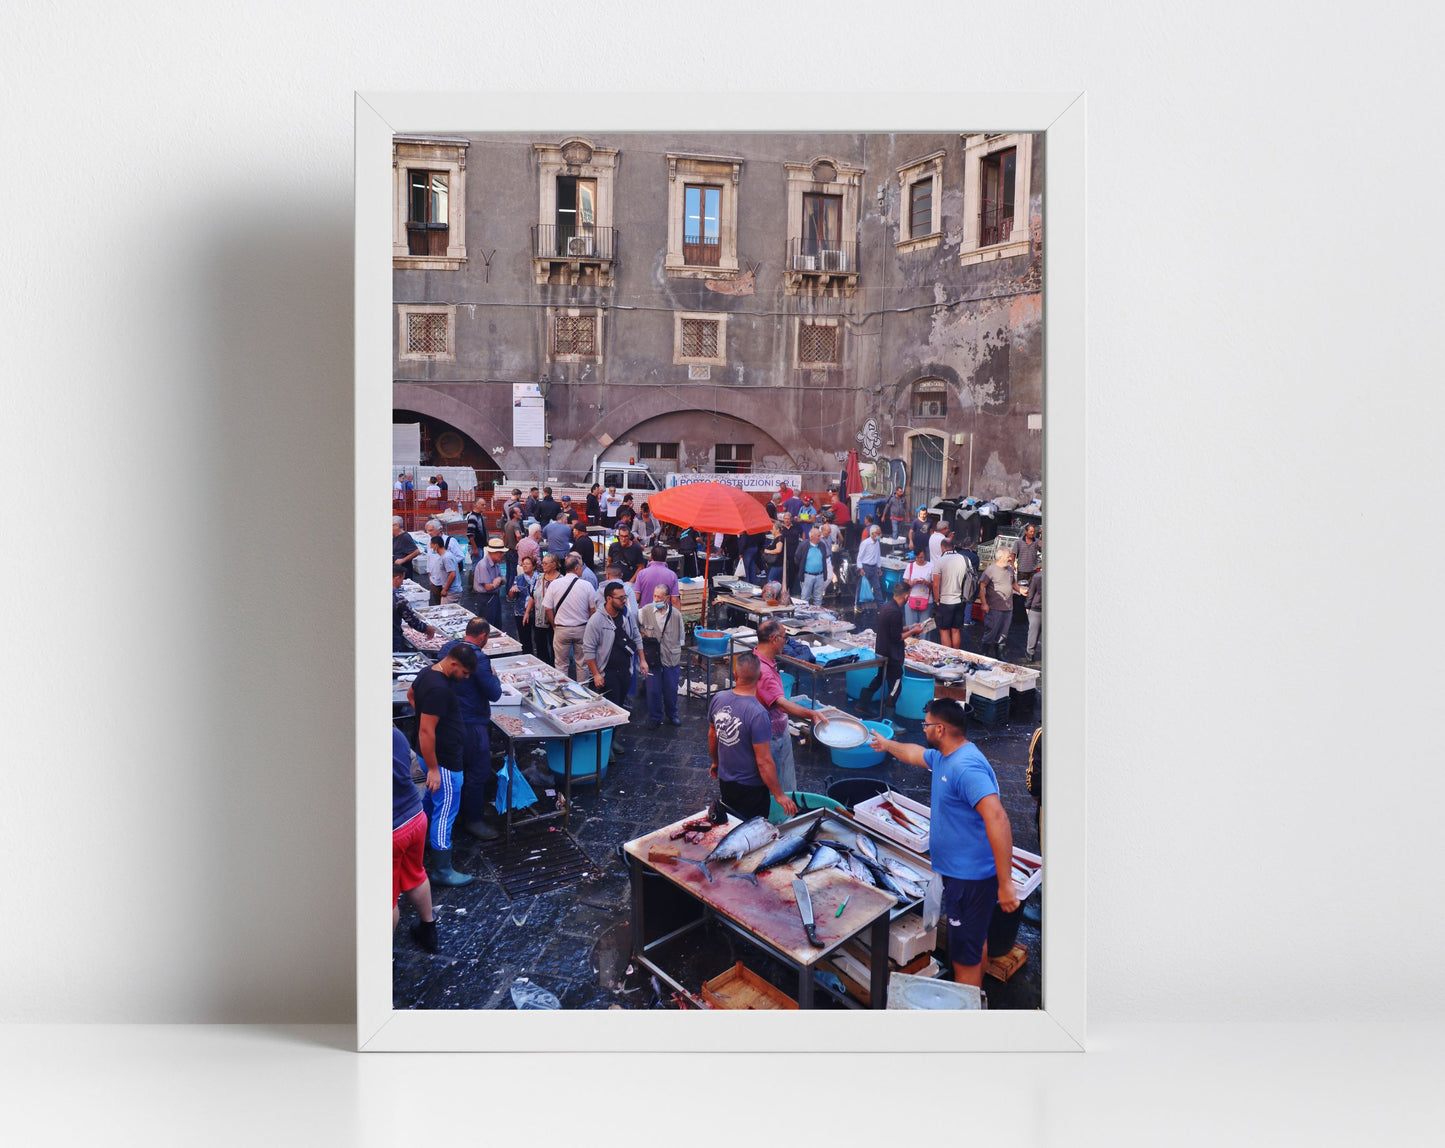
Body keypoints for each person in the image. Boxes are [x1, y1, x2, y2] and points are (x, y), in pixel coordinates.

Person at [868, 699, 1019, 987]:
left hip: (969, 881)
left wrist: (1006, 883)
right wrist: (887, 745)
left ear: (940, 729)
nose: (923, 729)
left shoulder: (965, 767)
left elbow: (998, 818)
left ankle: (964, 1006)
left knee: (963, 961)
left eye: (926, 725)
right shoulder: (944, 757)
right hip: (961, 876)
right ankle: (977, 999)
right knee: (975, 943)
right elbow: (915, 754)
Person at [409, 643, 478, 886]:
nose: (466, 678)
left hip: (432, 756)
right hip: (443, 762)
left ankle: (419, 843)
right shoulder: (439, 689)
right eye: (465, 673)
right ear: (454, 663)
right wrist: (433, 769)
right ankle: (442, 869)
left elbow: (410, 695)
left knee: (430, 802)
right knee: (446, 810)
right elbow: (426, 732)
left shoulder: (427, 673)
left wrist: (427, 719)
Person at [707, 654, 798, 822]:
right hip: (752, 788)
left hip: (726, 781)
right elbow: (764, 761)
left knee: (733, 823)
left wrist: (715, 762)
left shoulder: (718, 699)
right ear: (760, 676)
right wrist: (779, 794)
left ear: (735, 675)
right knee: (752, 829)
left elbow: (712, 734)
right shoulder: (758, 713)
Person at [438, 619, 504, 842]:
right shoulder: (479, 659)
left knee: (456, 768)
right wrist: (494, 676)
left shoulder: (448, 649)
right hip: (472, 723)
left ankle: (456, 813)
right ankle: (473, 819)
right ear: (483, 636)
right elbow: (494, 693)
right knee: (478, 771)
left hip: (448, 719)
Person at [753, 618, 817, 793]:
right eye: (784, 637)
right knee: (780, 787)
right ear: (774, 639)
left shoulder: (756, 657)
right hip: (772, 737)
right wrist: (812, 714)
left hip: (764, 731)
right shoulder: (764, 671)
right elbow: (781, 704)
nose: (786, 642)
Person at [392, 727, 437, 952]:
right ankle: (428, 930)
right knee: (415, 874)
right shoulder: (394, 734)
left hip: (390, 829)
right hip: (415, 817)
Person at [583, 579, 647, 712]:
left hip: (626, 671)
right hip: (608, 674)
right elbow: (589, 649)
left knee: (620, 705)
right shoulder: (596, 620)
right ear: (609, 599)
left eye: (625, 597)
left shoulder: (627, 615)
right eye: (620, 598)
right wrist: (596, 674)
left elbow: (636, 636)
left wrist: (642, 660)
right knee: (611, 710)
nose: (624, 600)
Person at [859, 582, 925, 708]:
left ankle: (862, 704)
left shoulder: (886, 607)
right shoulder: (895, 612)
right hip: (892, 655)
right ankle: (888, 714)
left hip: (882, 651)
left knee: (879, 678)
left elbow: (893, 629)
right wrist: (913, 631)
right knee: (895, 687)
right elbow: (896, 637)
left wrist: (910, 627)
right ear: (906, 596)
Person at [638, 582, 683, 728]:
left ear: (667, 598)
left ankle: (672, 714)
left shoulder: (676, 615)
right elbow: (636, 630)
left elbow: (681, 638)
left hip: (671, 657)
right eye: (654, 596)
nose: (656, 599)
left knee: (671, 690)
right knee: (653, 690)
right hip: (652, 658)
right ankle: (655, 717)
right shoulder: (644, 611)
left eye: (659, 597)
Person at [545, 557, 594, 680]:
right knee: (582, 664)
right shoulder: (586, 585)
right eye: (581, 566)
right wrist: (588, 623)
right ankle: (583, 690)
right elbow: (593, 609)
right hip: (582, 629)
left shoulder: (554, 584)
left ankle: (562, 689)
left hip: (561, 629)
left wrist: (554, 625)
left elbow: (547, 608)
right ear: (576, 568)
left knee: (561, 664)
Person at [979, 547, 1022, 660]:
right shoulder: (990, 570)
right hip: (994, 608)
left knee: (1004, 632)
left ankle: (999, 654)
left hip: (1008, 608)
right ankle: (984, 654)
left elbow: (1013, 584)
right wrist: (984, 603)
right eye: (1008, 556)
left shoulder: (1010, 569)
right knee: (991, 631)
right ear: (1001, 557)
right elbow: (982, 587)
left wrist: (1020, 590)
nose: (1011, 558)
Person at [934, 537, 976, 650]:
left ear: (942, 547)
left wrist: (937, 600)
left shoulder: (940, 561)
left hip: (945, 601)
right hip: (961, 600)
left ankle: (948, 656)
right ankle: (955, 654)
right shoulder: (965, 559)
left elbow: (936, 584)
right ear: (954, 547)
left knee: (944, 630)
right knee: (956, 630)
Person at [527, 554, 561, 665]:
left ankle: (555, 669)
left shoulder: (561, 580)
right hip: (539, 619)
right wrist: (527, 612)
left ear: (554, 565)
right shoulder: (539, 577)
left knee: (555, 648)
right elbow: (532, 596)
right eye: (542, 563)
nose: (542, 565)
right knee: (540, 647)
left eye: (545, 563)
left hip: (555, 621)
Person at [393, 566, 435, 651]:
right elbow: (413, 622)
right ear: (397, 578)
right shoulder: (398, 599)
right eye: (402, 579)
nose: (402, 582)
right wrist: (428, 630)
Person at [794, 526, 835, 607]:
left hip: (820, 575)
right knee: (805, 598)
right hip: (807, 576)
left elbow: (824, 559)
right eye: (818, 536)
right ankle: (803, 613)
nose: (820, 537)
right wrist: (802, 568)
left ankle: (817, 613)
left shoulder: (822, 545)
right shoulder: (804, 545)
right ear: (812, 537)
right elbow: (797, 558)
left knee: (818, 598)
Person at [471, 537, 507, 628]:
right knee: (487, 626)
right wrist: (497, 582)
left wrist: (498, 580)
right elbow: (488, 587)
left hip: (495, 597)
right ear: (492, 552)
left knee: (497, 625)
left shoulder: (496, 563)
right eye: (500, 552)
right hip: (486, 599)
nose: (502, 554)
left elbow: (503, 580)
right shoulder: (483, 565)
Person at [510, 553, 539, 656]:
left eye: (527, 564)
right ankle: (528, 658)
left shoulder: (540, 578)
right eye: (523, 564)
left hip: (537, 612)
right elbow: (511, 596)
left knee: (539, 639)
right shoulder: (518, 578)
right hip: (521, 612)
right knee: (525, 640)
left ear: (534, 566)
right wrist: (512, 590)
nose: (525, 566)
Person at [902, 545, 934, 628]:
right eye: (918, 557)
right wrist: (912, 583)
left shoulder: (931, 566)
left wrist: (926, 583)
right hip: (911, 600)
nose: (920, 559)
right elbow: (905, 583)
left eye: (922, 557)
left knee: (925, 628)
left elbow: (935, 585)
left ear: (925, 555)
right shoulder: (910, 566)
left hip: (927, 600)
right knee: (910, 628)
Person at [427, 534, 462, 605]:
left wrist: (445, 589)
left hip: (451, 592)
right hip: (452, 591)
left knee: (445, 610)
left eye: (431, 545)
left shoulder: (446, 557)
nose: (430, 547)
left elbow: (452, 574)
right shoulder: (445, 556)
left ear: (436, 545)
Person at [857, 524, 884, 615]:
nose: (880, 535)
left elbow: (878, 556)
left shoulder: (877, 543)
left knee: (877, 588)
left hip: (874, 567)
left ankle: (881, 607)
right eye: (878, 534)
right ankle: (857, 605)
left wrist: (879, 568)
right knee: (861, 587)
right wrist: (860, 568)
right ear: (872, 534)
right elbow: (860, 557)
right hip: (865, 567)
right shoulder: (865, 543)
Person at [1023, 562, 1043, 663]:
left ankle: (1030, 654)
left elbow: (1031, 593)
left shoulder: (1037, 577)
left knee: (1033, 632)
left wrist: (1027, 606)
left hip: (1037, 607)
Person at [762, 521, 785, 586]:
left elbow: (778, 550)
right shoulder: (776, 538)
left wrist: (768, 551)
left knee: (770, 581)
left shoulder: (779, 539)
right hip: (774, 564)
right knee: (776, 583)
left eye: (772, 529)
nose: (771, 530)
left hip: (777, 564)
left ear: (777, 530)